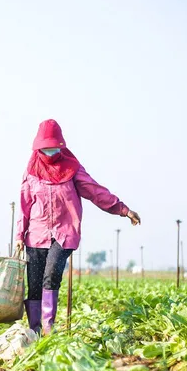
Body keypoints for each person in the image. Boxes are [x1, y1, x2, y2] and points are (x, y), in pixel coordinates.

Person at [15, 119, 141, 335]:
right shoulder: (31, 171)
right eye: (45, 148)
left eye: (53, 147)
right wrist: (19, 234)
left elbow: (95, 191)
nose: (49, 152)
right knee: (34, 283)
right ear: (37, 147)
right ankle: (33, 331)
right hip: (36, 233)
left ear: (61, 145)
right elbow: (25, 204)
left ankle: (47, 328)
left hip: (64, 232)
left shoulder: (72, 169)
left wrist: (123, 209)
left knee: (52, 272)